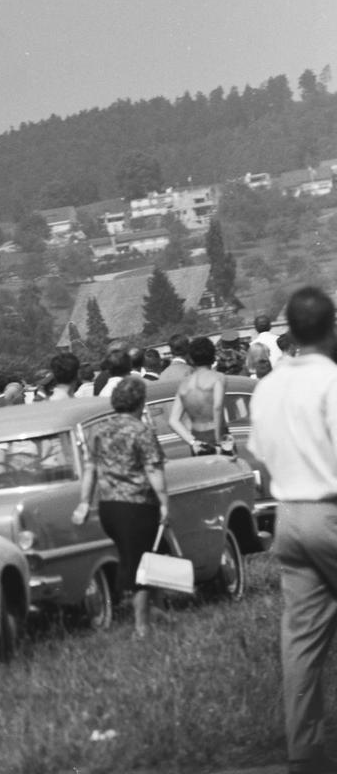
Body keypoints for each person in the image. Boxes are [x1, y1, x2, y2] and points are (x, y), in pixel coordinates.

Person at [248, 286, 337, 774]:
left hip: (288, 516)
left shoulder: (269, 386)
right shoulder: (331, 380)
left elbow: (258, 453)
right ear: (331, 325)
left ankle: (304, 749)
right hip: (330, 509)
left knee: (301, 638)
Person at [72, 375, 169, 639]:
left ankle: (158, 610)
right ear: (140, 402)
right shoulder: (141, 431)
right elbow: (153, 469)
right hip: (137, 503)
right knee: (141, 563)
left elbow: (90, 468)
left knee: (146, 555)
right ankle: (141, 625)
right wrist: (164, 503)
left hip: (109, 507)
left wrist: (84, 502)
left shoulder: (99, 430)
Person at [167, 336, 227, 453]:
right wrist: (218, 441)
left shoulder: (184, 384)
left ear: (192, 358)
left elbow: (173, 420)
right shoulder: (218, 378)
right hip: (217, 434)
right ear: (212, 357)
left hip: (197, 437)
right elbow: (217, 407)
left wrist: (192, 442)